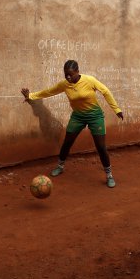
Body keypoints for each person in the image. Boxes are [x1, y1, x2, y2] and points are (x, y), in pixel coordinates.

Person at [21, 60, 123, 188]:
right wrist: (30, 95)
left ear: (77, 72)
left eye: (70, 74)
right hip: (78, 116)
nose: (68, 77)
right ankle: (60, 166)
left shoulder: (89, 80)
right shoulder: (64, 84)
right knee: (67, 142)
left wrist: (117, 109)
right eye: (66, 74)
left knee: (101, 147)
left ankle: (109, 175)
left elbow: (106, 92)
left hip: (95, 116)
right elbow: (49, 91)